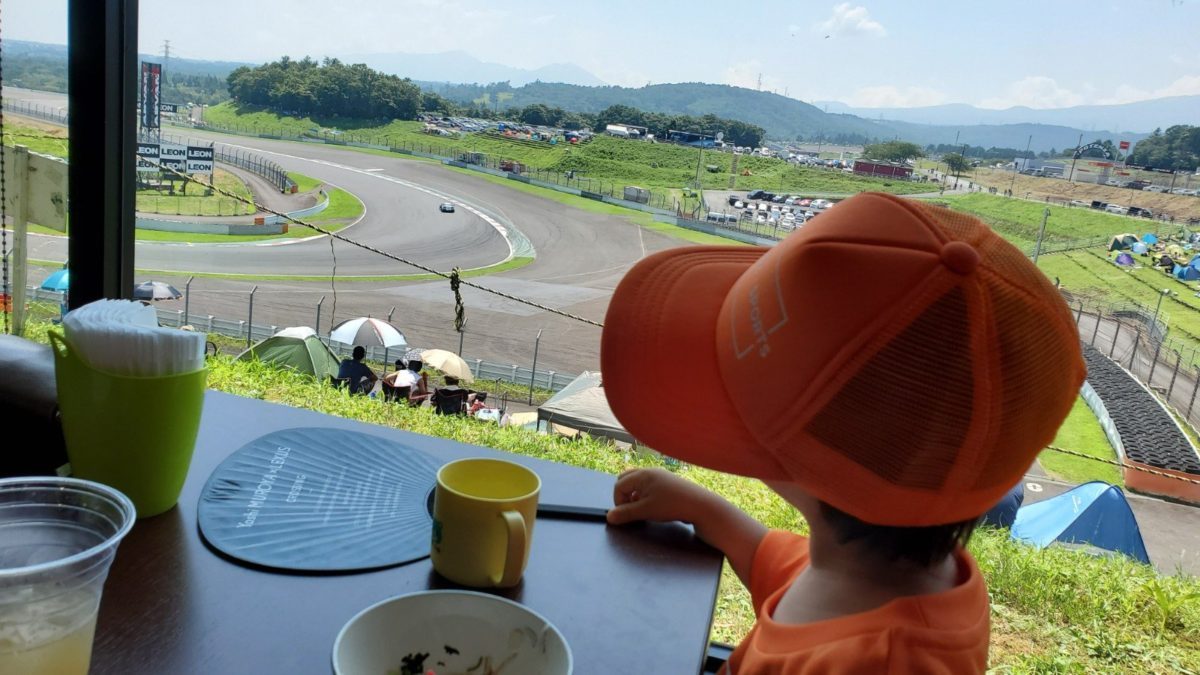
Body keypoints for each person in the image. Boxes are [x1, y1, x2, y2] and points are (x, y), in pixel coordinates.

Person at [599, 192, 1086, 673]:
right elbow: (787, 573)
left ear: (822, 474)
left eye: (734, 401)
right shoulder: (885, 574)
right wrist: (703, 510)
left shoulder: (882, 664)